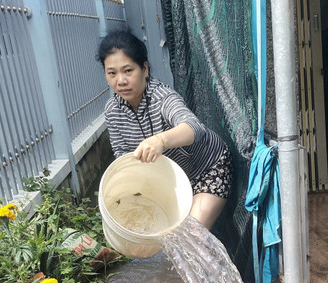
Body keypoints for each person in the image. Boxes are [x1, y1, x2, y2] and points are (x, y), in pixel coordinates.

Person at [97, 30, 232, 229]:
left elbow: (194, 128)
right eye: (112, 73)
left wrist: (160, 141)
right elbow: (122, 157)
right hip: (172, 182)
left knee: (191, 237)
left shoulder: (163, 98)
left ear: (144, 69)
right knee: (165, 236)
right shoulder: (112, 110)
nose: (121, 81)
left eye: (128, 71)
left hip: (208, 169)